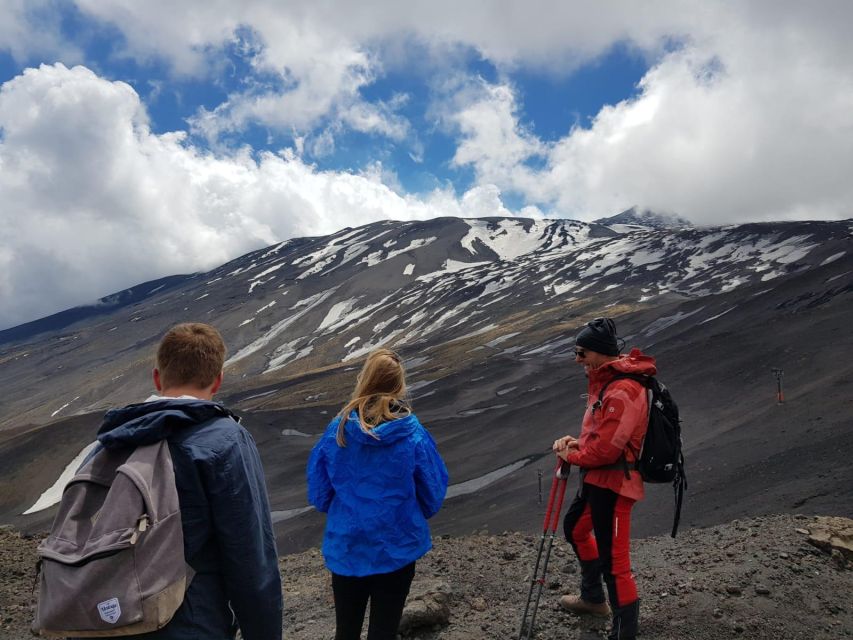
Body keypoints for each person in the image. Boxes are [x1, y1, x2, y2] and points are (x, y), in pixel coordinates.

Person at [92, 323, 282, 639]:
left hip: (103, 619)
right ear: (218, 381)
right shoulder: (224, 440)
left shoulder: (110, 441)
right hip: (187, 624)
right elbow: (250, 559)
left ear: (157, 377)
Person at [307, 348, 449, 640]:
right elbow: (432, 493)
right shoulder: (412, 434)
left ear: (365, 379)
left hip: (347, 546)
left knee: (346, 631)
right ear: (398, 385)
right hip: (397, 546)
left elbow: (319, 494)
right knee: (383, 631)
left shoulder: (338, 431)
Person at [552, 317, 655, 640]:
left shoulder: (623, 389)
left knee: (616, 562)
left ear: (598, 353)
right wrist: (578, 443)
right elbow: (603, 438)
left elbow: (608, 451)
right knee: (576, 528)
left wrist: (574, 456)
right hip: (598, 480)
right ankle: (593, 599)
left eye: (581, 353)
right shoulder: (608, 383)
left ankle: (624, 632)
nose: (577, 359)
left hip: (614, 483)